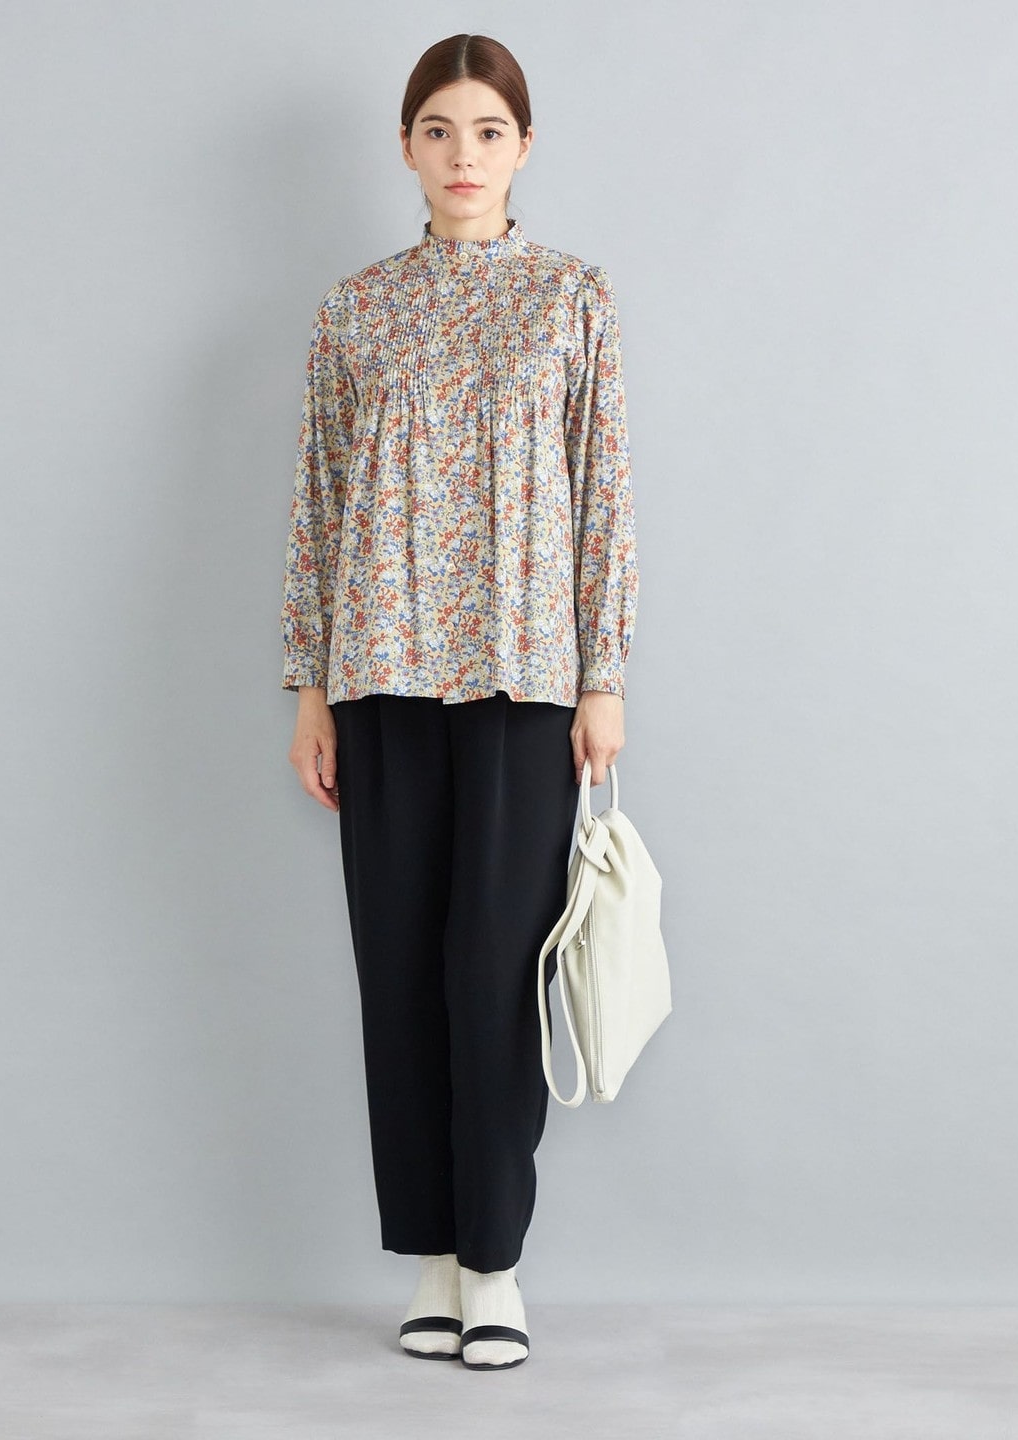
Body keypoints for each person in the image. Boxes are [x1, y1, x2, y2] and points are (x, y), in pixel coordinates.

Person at [280, 33, 639, 1371]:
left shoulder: (572, 299)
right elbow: (320, 502)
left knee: (494, 969)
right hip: (378, 672)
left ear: (524, 146)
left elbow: (603, 495)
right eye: (439, 130)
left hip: (522, 676)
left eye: (489, 131)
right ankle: (429, 1259)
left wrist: (602, 674)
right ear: (406, 147)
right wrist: (310, 688)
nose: (464, 155)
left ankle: (496, 1266)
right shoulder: (356, 310)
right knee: (399, 972)